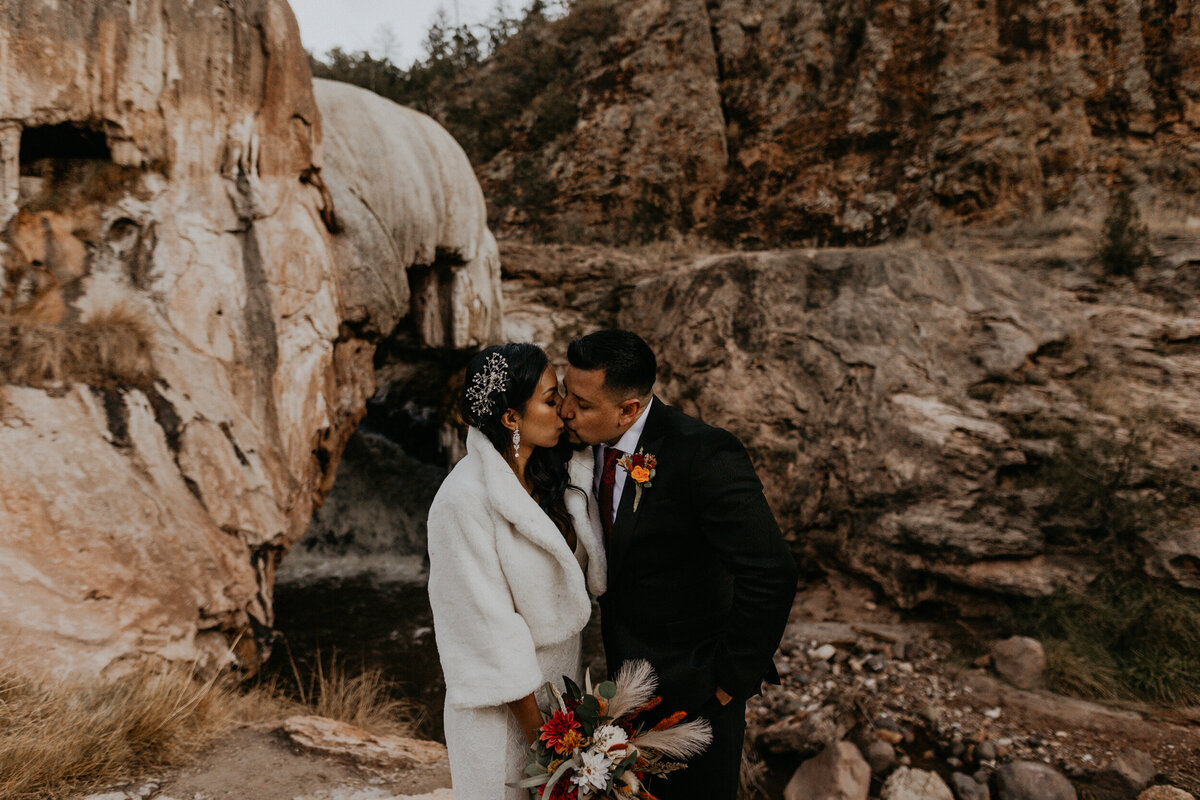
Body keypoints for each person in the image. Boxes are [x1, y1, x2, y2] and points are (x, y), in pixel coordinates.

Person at [559, 328, 798, 800]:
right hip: (621, 685)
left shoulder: (704, 454)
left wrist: (729, 681)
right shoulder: (583, 446)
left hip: (698, 689)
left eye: (582, 404)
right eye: (567, 394)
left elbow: (771, 571)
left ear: (629, 409)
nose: (567, 410)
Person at [427, 343, 605, 800]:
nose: (564, 410)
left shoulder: (553, 477)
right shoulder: (462, 501)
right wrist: (547, 743)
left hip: (558, 695)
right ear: (511, 419)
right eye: (550, 400)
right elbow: (486, 629)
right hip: (503, 715)